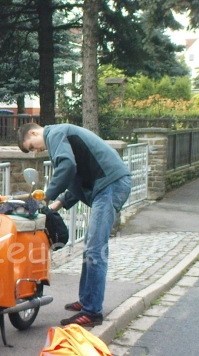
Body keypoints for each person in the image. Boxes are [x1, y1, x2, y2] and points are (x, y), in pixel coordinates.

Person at [18, 122, 132, 327]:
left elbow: (67, 166)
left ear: (34, 132)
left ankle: (92, 312)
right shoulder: (62, 135)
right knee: (90, 247)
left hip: (110, 185)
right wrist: (57, 203)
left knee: (95, 249)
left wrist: (44, 198)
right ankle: (87, 301)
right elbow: (76, 175)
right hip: (109, 184)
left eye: (32, 146)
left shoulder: (54, 133)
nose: (36, 151)